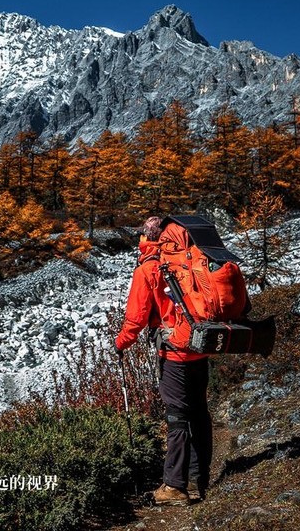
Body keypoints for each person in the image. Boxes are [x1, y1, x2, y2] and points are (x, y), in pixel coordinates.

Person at [114, 215, 247, 506]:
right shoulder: (189, 259)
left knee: (177, 416)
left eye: (142, 236)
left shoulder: (149, 268)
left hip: (175, 351)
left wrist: (120, 343)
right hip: (201, 344)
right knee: (199, 411)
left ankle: (174, 485)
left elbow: (135, 319)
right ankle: (200, 479)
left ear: (148, 239)